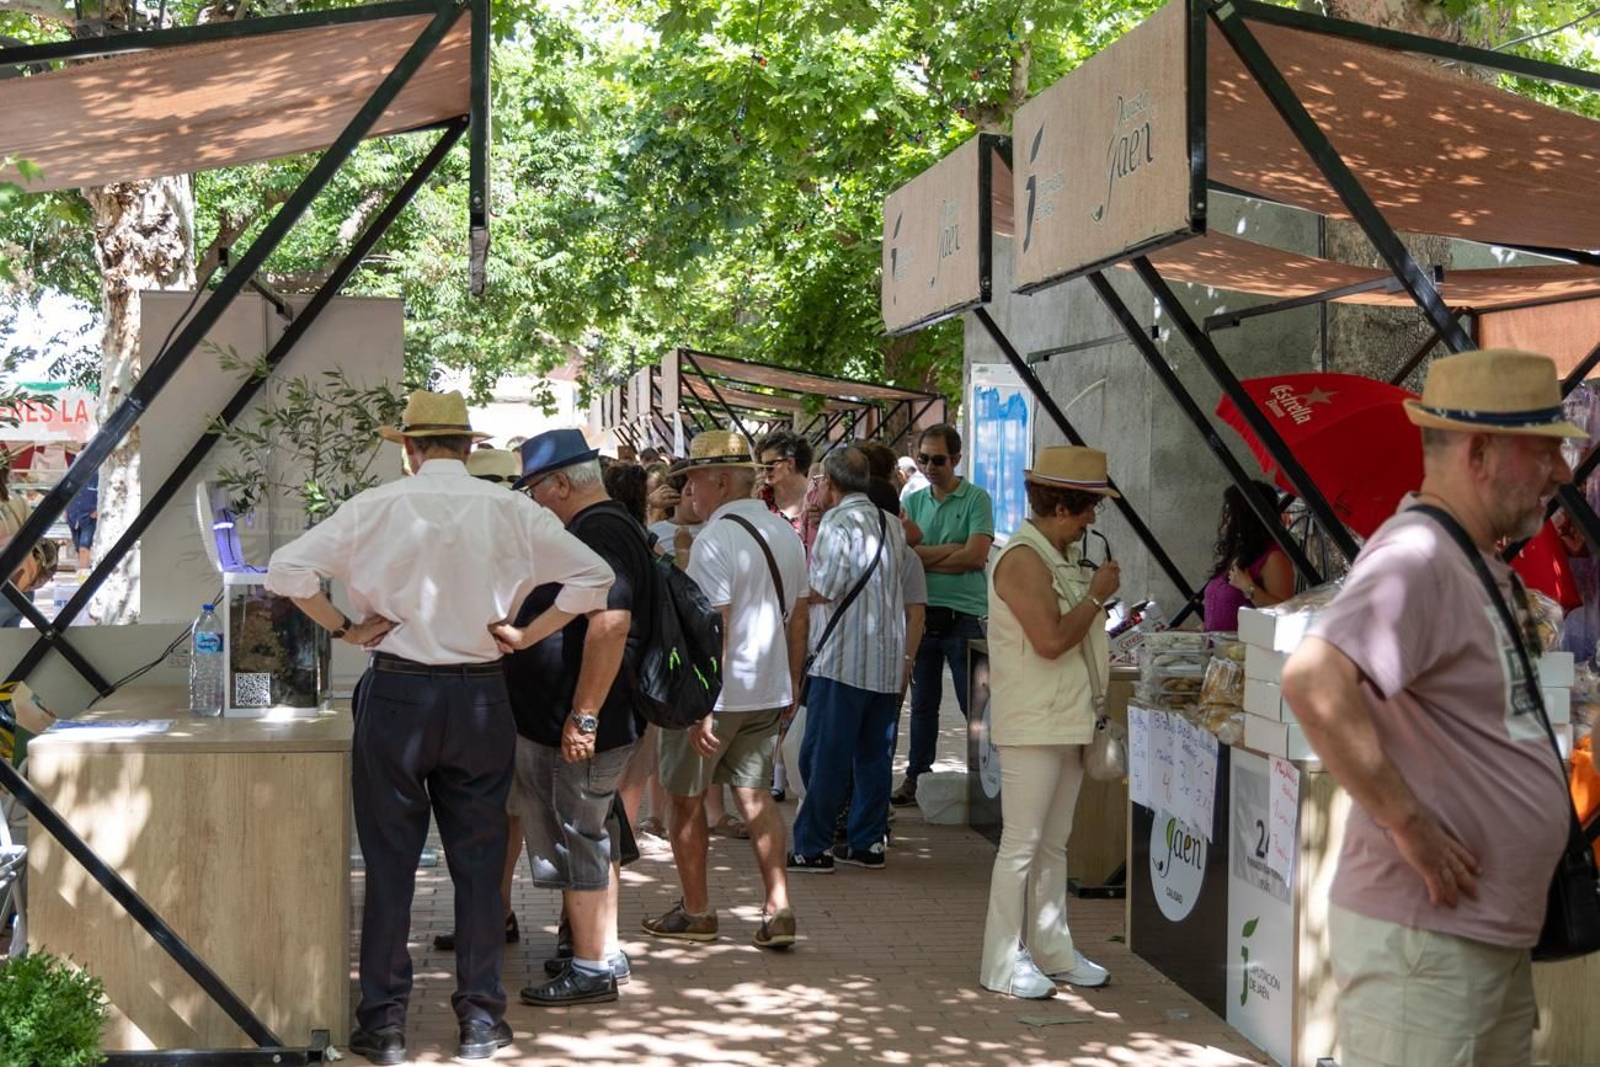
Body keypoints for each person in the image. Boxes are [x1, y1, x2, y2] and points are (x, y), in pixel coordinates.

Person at [265, 391, 614, 1066]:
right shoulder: (510, 508)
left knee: (391, 863)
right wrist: (525, 631)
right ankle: (481, 1020)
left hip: (397, 693)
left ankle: (384, 1024)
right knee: (480, 868)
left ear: (410, 448)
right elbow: (593, 578)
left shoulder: (377, 505)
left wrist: (343, 627)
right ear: (468, 447)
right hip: (482, 695)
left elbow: (286, 571)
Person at [1281, 349, 1581, 1067]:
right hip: (1429, 947)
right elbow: (1314, 679)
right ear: (1480, 452)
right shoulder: (1418, 553)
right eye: (1545, 451)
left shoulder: (1464, 557)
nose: (1563, 474)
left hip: (1469, 939)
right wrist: (1406, 820)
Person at [492, 430, 651, 1007]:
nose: (532, 499)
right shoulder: (606, 527)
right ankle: (598, 951)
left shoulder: (600, 532)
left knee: (580, 839)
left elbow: (610, 624)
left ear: (560, 483)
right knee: (592, 836)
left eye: (534, 486)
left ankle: (591, 967)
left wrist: (582, 717)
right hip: (579, 721)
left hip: (583, 726)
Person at [644, 430, 808, 949]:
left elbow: (713, 625)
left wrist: (703, 705)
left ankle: (697, 912)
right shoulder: (784, 532)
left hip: (718, 698)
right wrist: (792, 684)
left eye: (693, 479)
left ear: (720, 479)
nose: (689, 491)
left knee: (686, 802)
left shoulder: (718, 538)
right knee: (756, 799)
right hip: (766, 690)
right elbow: (798, 617)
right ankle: (778, 909)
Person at [978, 446, 1119, 998]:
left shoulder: (1049, 555)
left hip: (1064, 719)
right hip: (1035, 723)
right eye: (1089, 510)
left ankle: (1052, 949)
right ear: (1063, 506)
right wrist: (1096, 595)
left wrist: (1089, 594)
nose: (1092, 520)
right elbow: (1052, 640)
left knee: (1051, 844)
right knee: (1022, 845)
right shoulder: (1021, 558)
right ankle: (1003, 962)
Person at [786, 447, 913, 872]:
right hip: (885, 659)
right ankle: (867, 843)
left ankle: (813, 845)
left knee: (824, 755)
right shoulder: (893, 523)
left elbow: (823, 588)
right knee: (874, 758)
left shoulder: (837, 523)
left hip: (841, 658)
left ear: (831, 484)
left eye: (820, 480)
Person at [431, 446, 527, 953]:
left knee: (503, 815)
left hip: (509, 695)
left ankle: (501, 914)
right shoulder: (500, 535)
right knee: (492, 816)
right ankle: (496, 911)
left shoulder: (514, 538)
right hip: (486, 695)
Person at [894, 424, 994, 806]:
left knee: (975, 705)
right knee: (922, 705)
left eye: (938, 459)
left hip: (965, 615)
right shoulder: (914, 499)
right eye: (922, 459)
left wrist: (928, 558)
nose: (929, 467)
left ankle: (982, 781)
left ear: (956, 458)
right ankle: (917, 777)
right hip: (922, 614)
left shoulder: (977, 499)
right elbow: (908, 559)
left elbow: (975, 556)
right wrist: (951, 552)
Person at [1201, 479, 1295, 632]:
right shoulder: (1238, 552)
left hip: (1245, 652)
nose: (1224, 516)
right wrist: (1195, 631)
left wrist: (1249, 589)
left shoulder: (1274, 557)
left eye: (1229, 510)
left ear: (1246, 514)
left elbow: (1284, 613)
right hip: (1218, 651)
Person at [65, 467, 97, 574]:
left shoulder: (96, 475)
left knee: (84, 548)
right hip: (73, 517)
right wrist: (65, 511)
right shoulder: (72, 477)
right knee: (79, 549)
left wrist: (97, 510)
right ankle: (84, 575)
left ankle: (83, 580)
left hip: (89, 517)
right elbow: (65, 493)